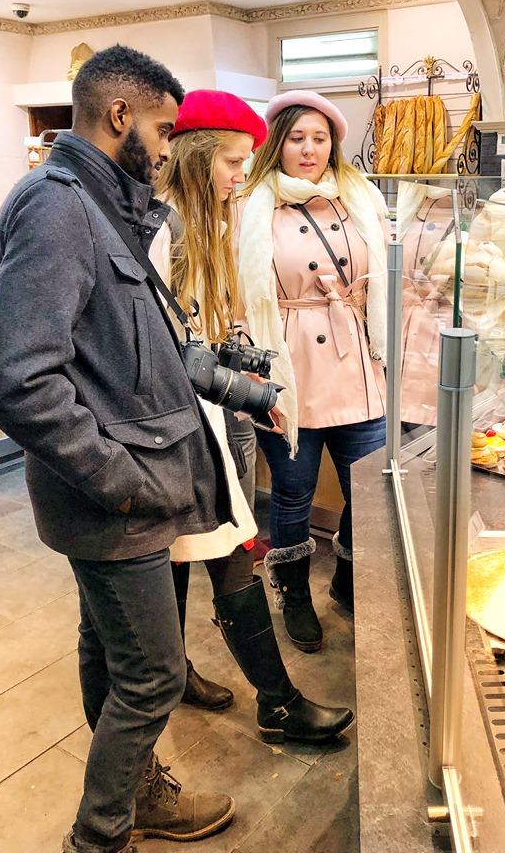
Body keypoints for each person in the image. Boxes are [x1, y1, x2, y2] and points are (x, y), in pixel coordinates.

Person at [0, 45, 238, 853]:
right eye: (166, 130)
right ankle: (99, 837)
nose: (171, 148)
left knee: (111, 648)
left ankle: (138, 795)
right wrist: (122, 482)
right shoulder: (58, 206)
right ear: (121, 116)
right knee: (154, 674)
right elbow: (21, 377)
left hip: (126, 487)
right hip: (113, 499)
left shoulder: (107, 205)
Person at [151, 87, 354, 741]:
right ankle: (277, 702)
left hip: (203, 422)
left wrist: (253, 364)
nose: (244, 174)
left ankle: (190, 673)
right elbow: (171, 351)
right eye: (234, 160)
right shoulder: (162, 228)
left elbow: (211, 329)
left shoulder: (213, 221)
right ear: (196, 154)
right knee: (226, 551)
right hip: (175, 431)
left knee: (200, 552)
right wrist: (257, 393)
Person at [237, 90, 388, 652]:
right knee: (295, 493)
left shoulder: (359, 198)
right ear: (278, 142)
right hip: (289, 361)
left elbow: (386, 270)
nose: (309, 150)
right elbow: (236, 295)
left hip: (357, 360)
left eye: (320, 139)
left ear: (334, 145)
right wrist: (252, 371)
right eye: (297, 138)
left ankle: (349, 582)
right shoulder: (251, 205)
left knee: (367, 489)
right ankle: (294, 593)